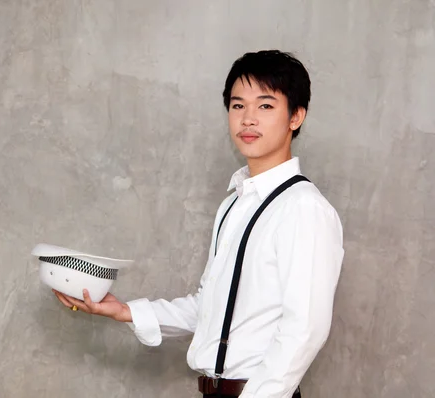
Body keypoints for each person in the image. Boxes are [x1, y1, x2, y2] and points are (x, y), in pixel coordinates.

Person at [54, 50, 344, 398]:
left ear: (296, 116)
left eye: (265, 106)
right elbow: (211, 308)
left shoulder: (304, 208)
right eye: (238, 106)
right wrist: (125, 311)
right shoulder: (233, 204)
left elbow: (305, 330)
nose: (248, 119)